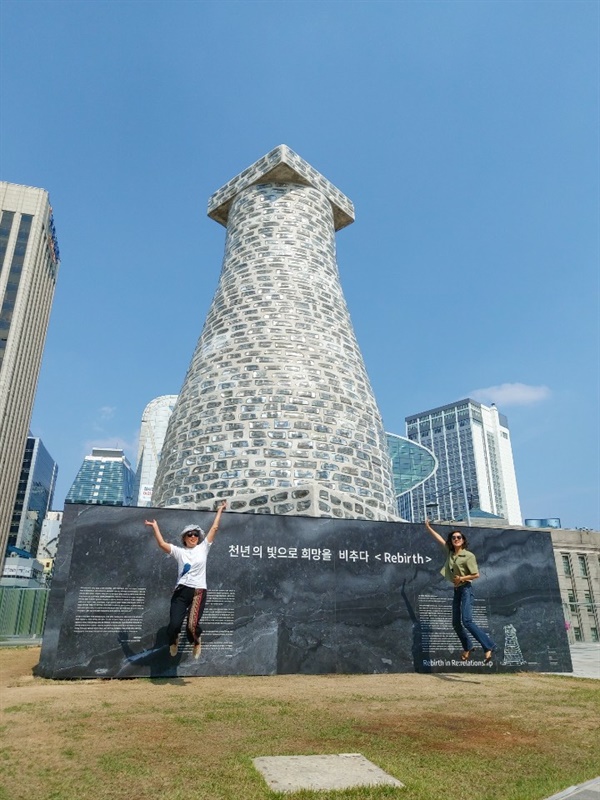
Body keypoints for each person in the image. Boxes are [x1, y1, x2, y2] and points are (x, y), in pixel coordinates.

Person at [145, 500, 227, 659]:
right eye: (190, 534)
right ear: (184, 538)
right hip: (181, 592)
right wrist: (155, 527)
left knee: (191, 625)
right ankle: (173, 640)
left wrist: (220, 510)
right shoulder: (179, 552)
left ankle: (196, 641)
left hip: (198, 591)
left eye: (196, 534)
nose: (193, 537)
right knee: (174, 625)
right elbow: (162, 544)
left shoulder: (203, 548)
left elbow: (215, 528)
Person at [424, 517, 497, 662]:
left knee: (467, 621)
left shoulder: (468, 556)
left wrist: (461, 579)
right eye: (453, 538)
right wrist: (428, 527)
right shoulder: (451, 553)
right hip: (457, 591)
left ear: (463, 540)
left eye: (458, 537)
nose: (456, 539)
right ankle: (468, 647)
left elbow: (476, 574)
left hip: (466, 590)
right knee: (456, 623)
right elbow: (439, 539)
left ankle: (488, 646)